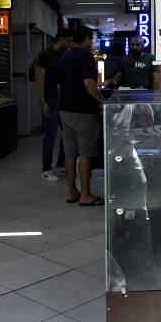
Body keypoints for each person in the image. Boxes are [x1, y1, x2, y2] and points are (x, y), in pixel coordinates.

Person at [57, 27, 104, 206]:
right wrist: (101, 100)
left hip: (65, 111)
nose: (91, 43)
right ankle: (85, 195)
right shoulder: (85, 56)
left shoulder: (65, 56)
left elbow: (59, 86)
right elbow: (89, 82)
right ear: (86, 38)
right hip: (83, 112)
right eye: (90, 39)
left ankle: (72, 192)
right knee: (85, 152)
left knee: (70, 153)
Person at [35, 30, 72, 181]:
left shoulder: (64, 55)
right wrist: (42, 101)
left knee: (66, 134)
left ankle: (60, 165)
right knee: (50, 134)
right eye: (68, 41)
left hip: (63, 99)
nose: (69, 44)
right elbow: (40, 79)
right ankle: (46, 169)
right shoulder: (45, 54)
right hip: (50, 99)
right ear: (61, 39)